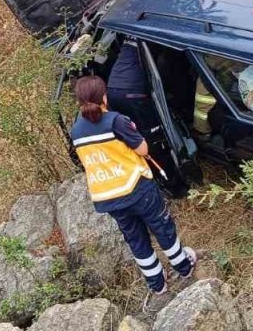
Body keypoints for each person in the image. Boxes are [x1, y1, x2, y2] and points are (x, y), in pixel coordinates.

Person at [71, 75, 198, 309]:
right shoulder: (116, 121)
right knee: (161, 226)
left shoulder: (76, 130)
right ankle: (184, 266)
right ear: (104, 97)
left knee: (136, 239)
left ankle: (157, 284)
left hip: (109, 197)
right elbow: (142, 148)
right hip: (137, 187)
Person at [105, 39, 188, 197]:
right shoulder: (154, 29)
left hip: (113, 88)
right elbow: (167, 67)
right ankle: (174, 186)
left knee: (132, 135)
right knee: (154, 139)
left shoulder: (133, 27)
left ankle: (147, 174)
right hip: (132, 93)